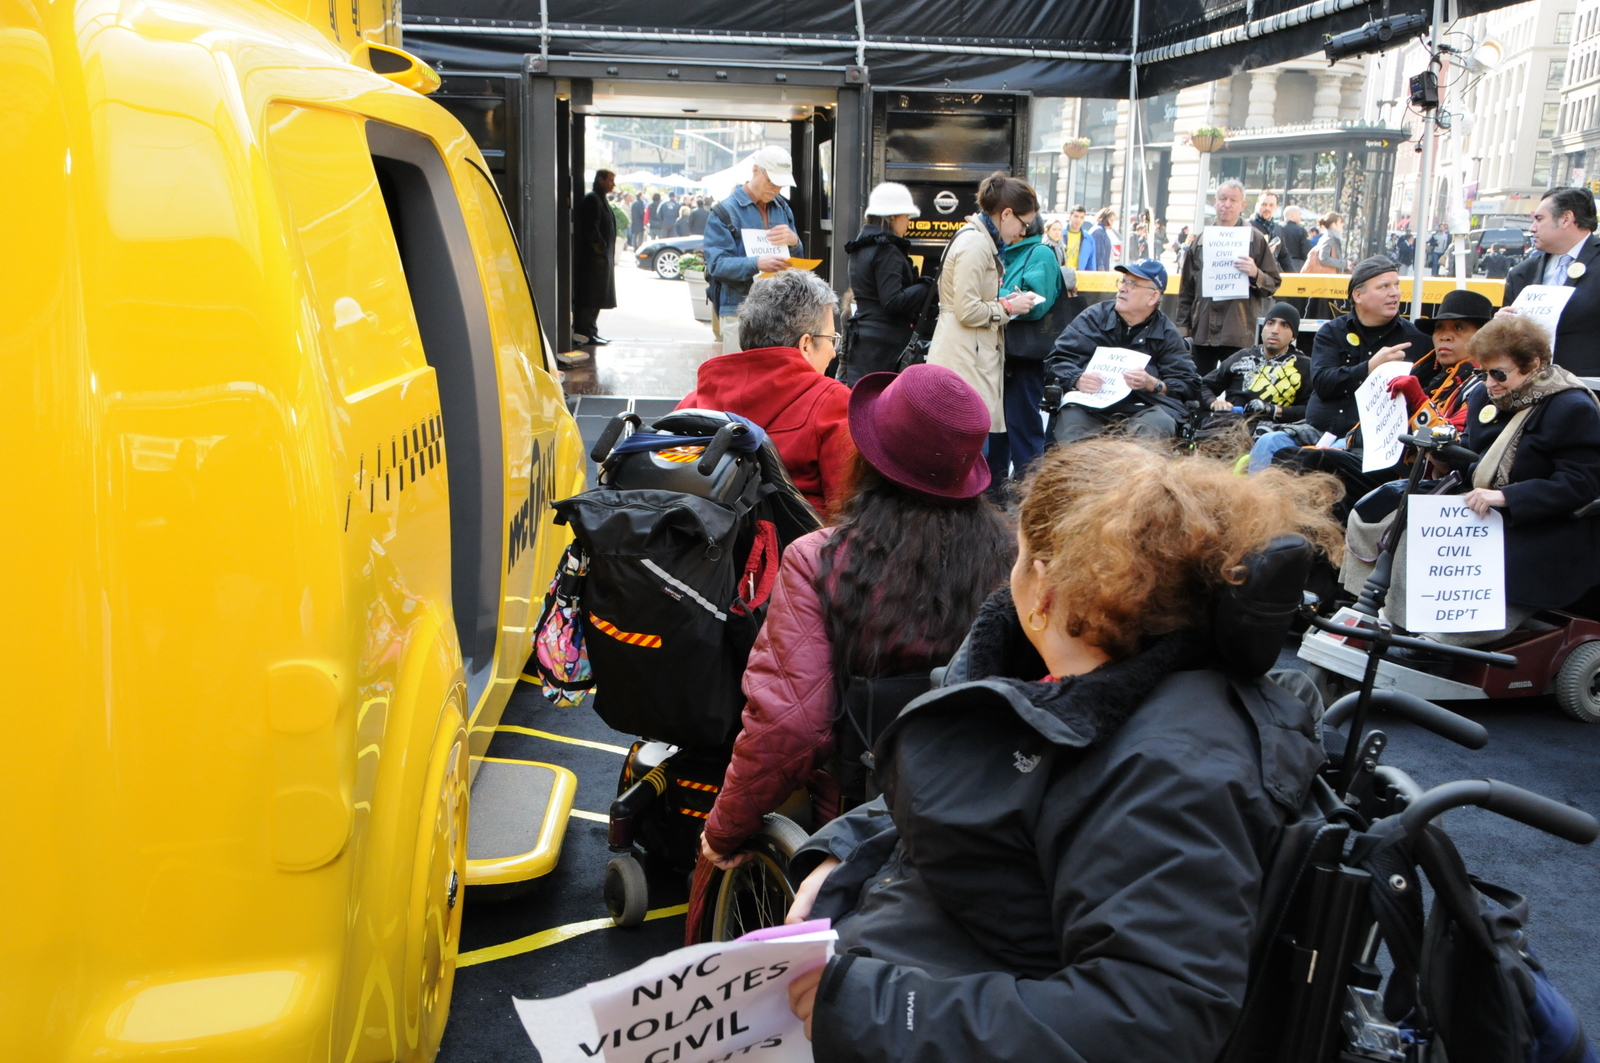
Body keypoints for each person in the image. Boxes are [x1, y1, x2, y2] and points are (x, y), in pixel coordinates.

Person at [782, 438, 1340, 1063]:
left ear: (1044, 585)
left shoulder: (1174, 770)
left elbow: (1148, 1022)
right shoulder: (1081, 678)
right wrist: (843, 855)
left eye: (1018, 557)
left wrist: (875, 1009)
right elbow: (964, 795)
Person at [697, 364, 1013, 867]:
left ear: (867, 456)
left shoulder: (820, 558)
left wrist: (724, 829)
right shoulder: (1011, 559)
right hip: (991, 806)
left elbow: (790, 727)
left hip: (858, 822)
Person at [1250, 258, 1434, 510]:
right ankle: (1257, 516)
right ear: (1358, 294)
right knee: (1267, 443)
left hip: (1368, 444)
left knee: (1324, 459)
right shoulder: (1331, 332)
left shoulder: (1417, 341)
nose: (1395, 293)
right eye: (1384, 286)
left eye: (1396, 285)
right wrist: (1370, 367)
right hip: (1318, 429)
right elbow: (1324, 383)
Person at [677, 270, 853, 517]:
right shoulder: (831, 402)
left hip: (704, 548)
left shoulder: (693, 402)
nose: (834, 352)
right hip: (792, 551)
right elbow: (847, 509)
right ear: (805, 344)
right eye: (831, 339)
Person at [927, 171, 1044, 486]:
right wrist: (1009, 307)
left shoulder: (980, 239)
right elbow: (967, 310)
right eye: (1023, 222)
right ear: (1006, 214)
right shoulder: (978, 244)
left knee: (975, 454)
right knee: (971, 455)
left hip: (969, 356)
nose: (1023, 231)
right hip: (965, 360)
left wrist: (1003, 302)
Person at [1045, 259, 1200, 444]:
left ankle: (1136, 473)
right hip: (1091, 406)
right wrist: (1077, 378)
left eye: (1132, 284)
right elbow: (1057, 360)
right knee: (1071, 420)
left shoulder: (1167, 333)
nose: (1123, 288)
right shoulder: (1094, 318)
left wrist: (1155, 384)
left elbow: (1188, 383)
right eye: (1123, 281)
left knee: (1159, 424)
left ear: (1153, 297)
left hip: (1145, 408)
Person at [703, 145, 805, 354]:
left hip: (778, 310)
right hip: (738, 309)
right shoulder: (724, 211)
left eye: (781, 184)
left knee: (772, 379)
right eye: (771, 181)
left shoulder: (783, 208)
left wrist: (795, 242)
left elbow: (797, 260)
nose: (776, 189)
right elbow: (717, 264)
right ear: (756, 171)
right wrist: (756, 263)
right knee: (739, 378)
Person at [1177, 178, 1284, 376]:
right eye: (1222, 199)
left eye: (1233, 200)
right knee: (1199, 389)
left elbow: (1273, 283)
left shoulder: (1255, 239)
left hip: (1239, 332)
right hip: (1203, 333)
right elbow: (1186, 290)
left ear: (1242, 205)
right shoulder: (1200, 241)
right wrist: (1184, 329)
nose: (1227, 204)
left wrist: (1255, 274)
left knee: (1237, 393)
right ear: (1215, 202)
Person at [1501, 187, 1600, 375]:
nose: (1532, 228)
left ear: (1566, 219)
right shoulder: (1522, 273)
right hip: (1530, 388)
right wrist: (1500, 326)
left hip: (1588, 391)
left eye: (1539, 219)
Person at [997, 214, 1066, 479]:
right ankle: (996, 502)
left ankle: (1029, 498)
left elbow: (1038, 303)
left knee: (1023, 429)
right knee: (998, 430)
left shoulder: (1040, 253)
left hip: (1024, 358)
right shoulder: (1004, 252)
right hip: (1003, 355)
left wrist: (995, 298)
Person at [844, 182, 933, 382]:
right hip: (886, 347)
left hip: (864, 342)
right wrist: (926, 286)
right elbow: (892, 300)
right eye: (907, 217)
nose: (909, 223)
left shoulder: (860, 246)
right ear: (893, 216)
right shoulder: (886, 249)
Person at [1200, 302, 1311, 431]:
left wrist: (1274, 410)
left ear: (1293, 336)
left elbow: (1312, 410)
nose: (1275, 330)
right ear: (1263, 329)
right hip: (1229, 428)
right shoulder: (1242, 357)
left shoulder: (1304, 366)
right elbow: (1203, 385)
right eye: (1270, 323)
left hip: (1274, 433)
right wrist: (1214, 403)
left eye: (1284, 325)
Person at [572, 169, 617, 347]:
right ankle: (585, 333)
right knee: (590, 298)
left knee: (596, 298)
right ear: (601, 180)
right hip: (593, 261)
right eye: (611, 180)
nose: (613, 184)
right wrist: (601, 249)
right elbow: (591, 229)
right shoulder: (592, 199)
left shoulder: (599, 199)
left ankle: (591, 331)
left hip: (600, 260)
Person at [1250, 191, 1291, 273]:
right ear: (1257, 205)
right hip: (1255, 277)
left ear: (1276, 207)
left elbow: (1283, 256)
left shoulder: (1278, 228)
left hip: (1273, 276)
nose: (1267, 208)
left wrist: (1294, 277)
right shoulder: (1248, 226)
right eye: (1264, 204)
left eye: (1271, 205)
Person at [1279, 205, 1311, 272]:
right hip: (1296, 264)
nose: (1301, 217)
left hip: (1279, 264)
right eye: (1299, 214)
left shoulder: (1277, 229)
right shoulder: (1300, 230)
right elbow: (1306, 251)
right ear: (1293, 216)